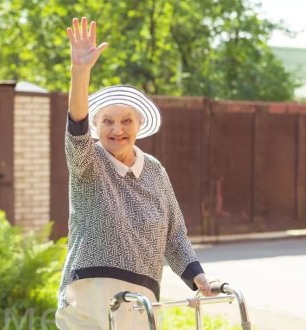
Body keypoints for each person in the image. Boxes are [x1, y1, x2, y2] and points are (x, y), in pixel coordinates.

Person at [56, 17, 217, 329]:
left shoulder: (155, 171)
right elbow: (75, 131)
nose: (117, 129)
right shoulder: (88, 163)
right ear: (96, 126)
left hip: (141, 301)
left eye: (126, 120)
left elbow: (175, 236)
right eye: (107, 121)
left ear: (140, 125)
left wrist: (200, 277)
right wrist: (80, 72)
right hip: (88, 298)